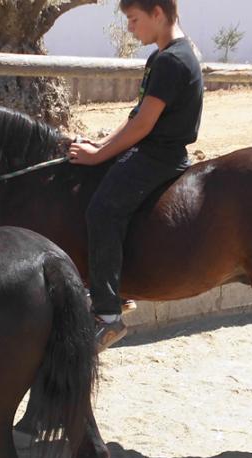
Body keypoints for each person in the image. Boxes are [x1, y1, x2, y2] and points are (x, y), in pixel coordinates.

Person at [68, 0, 203, 351]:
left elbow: (144, 125)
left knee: (102, 211)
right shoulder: (164, 56)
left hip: (158, 156)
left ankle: (109, 316)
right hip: (152, 151)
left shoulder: (172, 61)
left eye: (133, 19)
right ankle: (113, 285)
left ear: (157, 13)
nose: (130, 27)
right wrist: (101, 146)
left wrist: (99, 155)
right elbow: (135, 118)